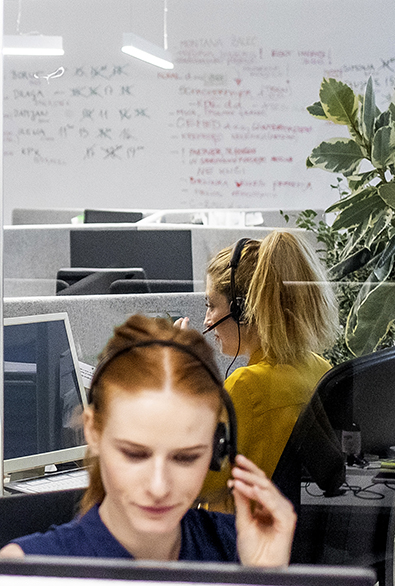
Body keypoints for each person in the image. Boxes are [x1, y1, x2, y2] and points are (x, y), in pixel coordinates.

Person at [0, 314, 296, 566]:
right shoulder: (30, 569)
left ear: (217, 450)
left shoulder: (242, 549)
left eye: (186, 457)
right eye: (134, 454)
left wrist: (263, 578)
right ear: (93, 432)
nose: (159, 487)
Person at [177, 231, 339, 512]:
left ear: (243, 310)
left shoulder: (246, 386)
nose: (206, 320)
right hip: (276, 540)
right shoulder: (320, 369)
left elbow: (197, 487)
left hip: (229, 545)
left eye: (211, 305)